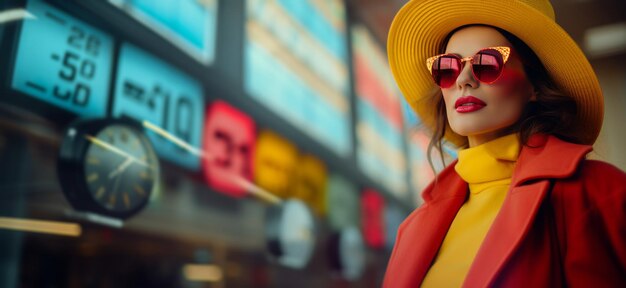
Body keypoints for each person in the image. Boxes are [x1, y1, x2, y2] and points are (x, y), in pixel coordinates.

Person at [383, 0, 626, 287]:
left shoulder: (600, 192)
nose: (463, 80)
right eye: (447, 68)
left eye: (487, 63)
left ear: (534, 85)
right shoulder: (412, 229)